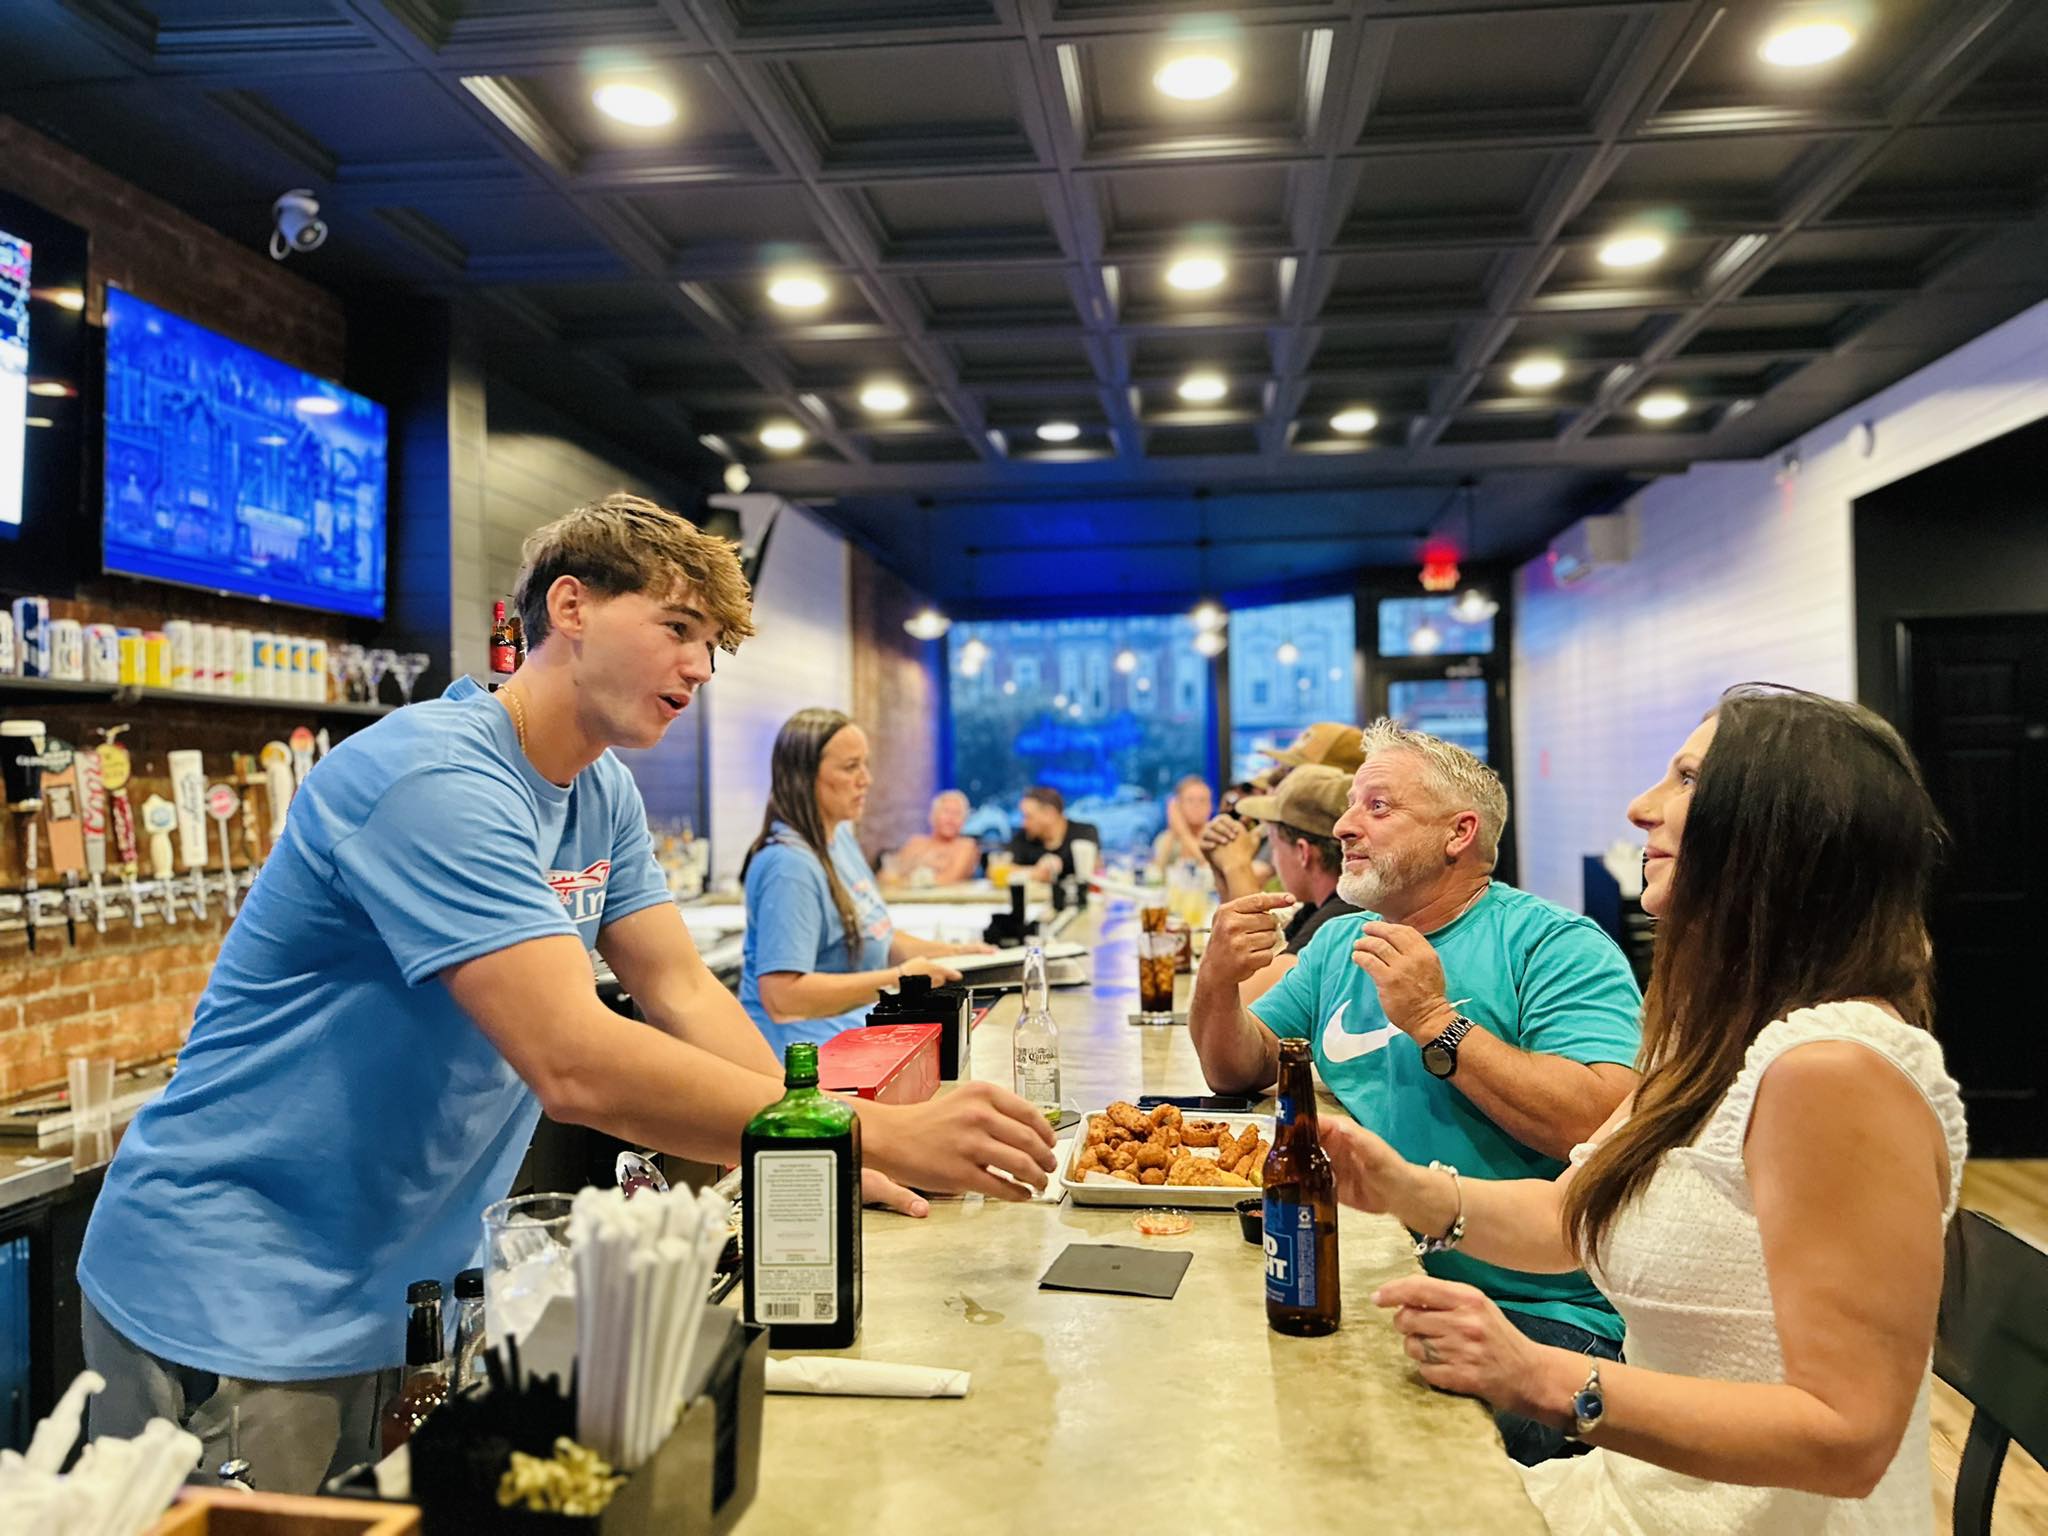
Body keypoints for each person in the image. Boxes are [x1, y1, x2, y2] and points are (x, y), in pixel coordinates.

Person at [73, 494, 1058, 1493]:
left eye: (712, 646)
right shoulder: (433, 776)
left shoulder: (600, 790)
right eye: (678, 628)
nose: (699, 668)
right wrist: (874, 1134)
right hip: (239, 1278)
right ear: (571, 606)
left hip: (399, 1287)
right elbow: (573, 1062)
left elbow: (681, 990)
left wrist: (814, 1147)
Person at [1328, 687, 1966, 1532]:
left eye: (1687, 779)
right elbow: (1576, 1214)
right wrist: (1405, 1189)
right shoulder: (1715, 1038)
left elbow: (1848, 1438)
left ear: (1779, 828)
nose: (1641, 807)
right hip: (1632, 1493)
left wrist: (1538, 1375)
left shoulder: (1834, 1069)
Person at [1191, 719, 1643, 1464]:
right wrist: (1215, 980)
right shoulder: (1342, 940)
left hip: (1535, 1312)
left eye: (1377, 806)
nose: (1345, 826)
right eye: (1350, 807)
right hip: (1381, 1273)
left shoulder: (1556, 944)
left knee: (1367, 1453)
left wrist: (1437, 1021)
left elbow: (1596, 1124)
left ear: (1459, 833)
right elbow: (1240, 1067)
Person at [740, 711, 990, 1054]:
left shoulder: (840, 838)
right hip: (806, 1060)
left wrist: (955, 954)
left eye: (865, 765)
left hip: (857, 1037)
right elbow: (783, 998)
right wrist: (899, 979)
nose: (866, 780)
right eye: (850, 767)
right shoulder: (789, 866)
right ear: (804, 776)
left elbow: (877, 938)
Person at [1204, 765, 1360, 1002]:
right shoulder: (1316, 908)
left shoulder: (1341, 917)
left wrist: (1237, 867)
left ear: (1303, 852)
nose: (1273, 860)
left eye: (1274, 845)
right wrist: (1220, 869)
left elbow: (1249, 1002)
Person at [881, 788, 981, 888]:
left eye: (957, 813)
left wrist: (910, 875)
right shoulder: (916, 843)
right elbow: (886, 876)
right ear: (933, 816)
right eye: (946, 811)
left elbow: (948, 880)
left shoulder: (966, 846)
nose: (951, 819)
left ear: (964, 820)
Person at [1008, 784, 1100, 883]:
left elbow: (1095, 869)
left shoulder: (1084, 833)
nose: (1024, 824)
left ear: (1049, 813)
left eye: (1028, 817)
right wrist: (1035, 872)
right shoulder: (1024, 836)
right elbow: (1001, 868)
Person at [1150, 774, 1213, 868]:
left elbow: (1208, 865)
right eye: (1190, 800)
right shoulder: (1166, 838)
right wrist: (1173, 830)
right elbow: (1155, 872)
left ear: (1210, 807)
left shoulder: (1218, 837)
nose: (1196, 806)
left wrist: (1184, 834)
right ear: (1178, 805)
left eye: (1202, 800)